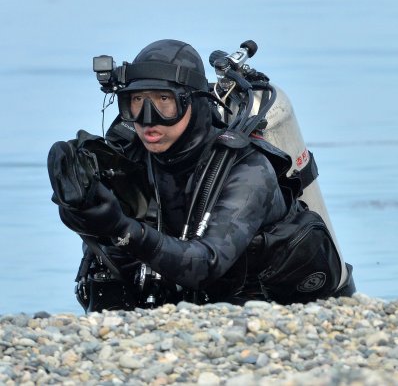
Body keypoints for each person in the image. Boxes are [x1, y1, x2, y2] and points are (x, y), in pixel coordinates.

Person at [48, 39, 355, 311]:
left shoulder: (247, 170)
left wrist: (121, 227)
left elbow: (206, 263)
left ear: (192, 103)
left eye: (164, 102)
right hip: (182, 305)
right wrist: (80, 208)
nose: (147, 120)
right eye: (136, 102)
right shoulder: (133, 156)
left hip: (270, 310)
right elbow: (108, 238)